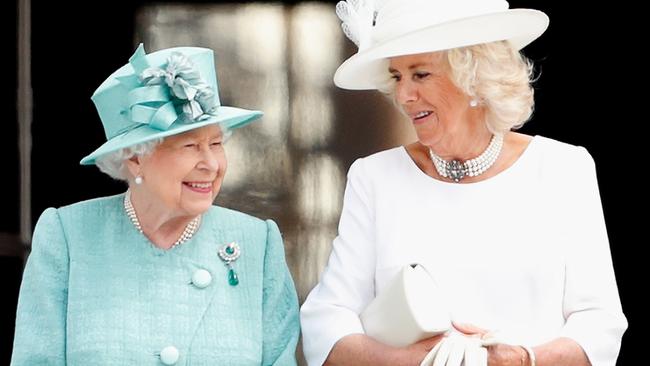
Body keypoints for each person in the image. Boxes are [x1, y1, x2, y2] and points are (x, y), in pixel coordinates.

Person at [300, 0, 627, 365]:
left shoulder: (564, 168)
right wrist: (423, 362)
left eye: (420, 74)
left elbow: (599, 324)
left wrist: (518, 360)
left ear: (474, 77)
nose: (404, 95)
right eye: (396, 77)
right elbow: (327, 321)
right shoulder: (374, 177)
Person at [11, 44, 300, 365]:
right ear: (135, 158)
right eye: (190, 145)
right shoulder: (67, 237)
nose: (211, 164)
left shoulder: (257, 244)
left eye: (216, 144)